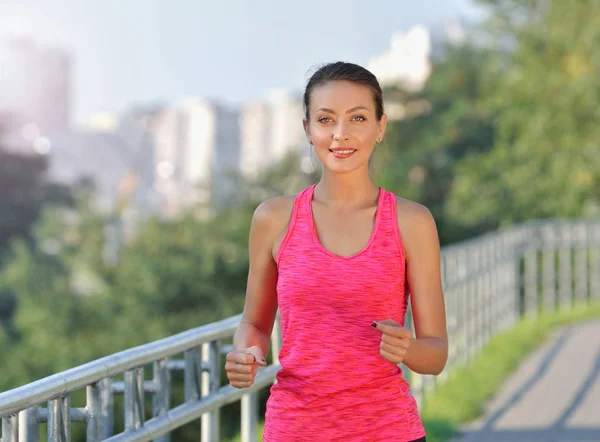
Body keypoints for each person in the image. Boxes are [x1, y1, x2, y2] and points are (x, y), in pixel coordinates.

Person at [225, 61, 448, 442]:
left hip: (387, 431)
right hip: (293, 430)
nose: (341, 135)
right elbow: (257, 324)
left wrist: (408, 348)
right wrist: (245, 354)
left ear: (380, 127)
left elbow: (436, 353)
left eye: (357, 118)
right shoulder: (273, 219)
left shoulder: (412, 222)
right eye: (326, 120)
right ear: (307, 129)